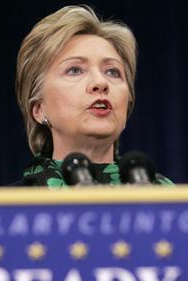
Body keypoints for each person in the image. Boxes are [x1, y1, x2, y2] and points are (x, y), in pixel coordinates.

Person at [15, 5, 173, 187]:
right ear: (39, 109)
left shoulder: (173, 201)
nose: (101, 83)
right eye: (74, 70)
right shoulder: (7, 209)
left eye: (112, 72)